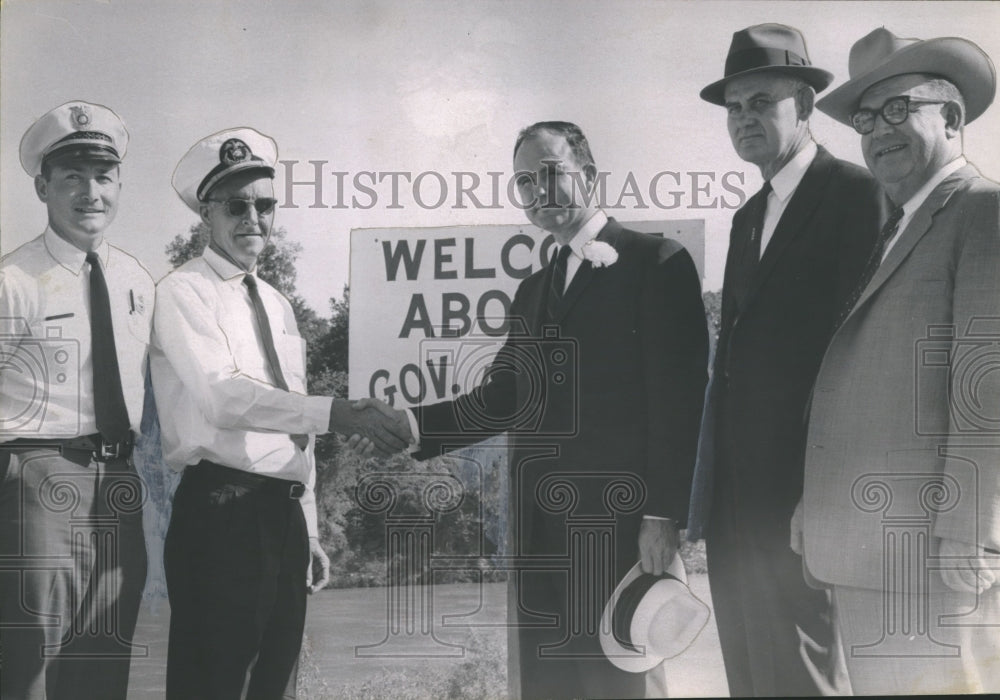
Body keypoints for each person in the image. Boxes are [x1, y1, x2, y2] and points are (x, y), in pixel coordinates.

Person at [357, 121, 708, 699]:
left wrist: (662, 513)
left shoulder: (656, 261)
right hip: (539, 531)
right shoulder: (532, 288)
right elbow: (504, 397)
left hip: (620, 529)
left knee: (622, 680)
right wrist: (412, 426)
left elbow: (680, 399)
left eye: (549, 172)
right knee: (551, 687)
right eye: (523, 180)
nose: (536, 190)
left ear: (589, 174)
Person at [151, 127, 410, 699]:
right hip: (221, 510)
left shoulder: (277, 303)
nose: (253, 218)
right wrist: (338, 412)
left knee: (275, 686)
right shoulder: (182, 291)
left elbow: (296, 433)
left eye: (265, 205)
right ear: (206, 214)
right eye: (236, 205)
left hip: (283, 515)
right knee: (213, 686)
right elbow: (223, 396)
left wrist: (311, 530)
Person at [796, 28, 1000, 694]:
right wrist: (816, 504)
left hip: (935, 564)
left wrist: (968, 539)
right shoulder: (901, 225)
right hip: (872, 560)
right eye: (863, 117)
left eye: (896, 108)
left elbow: (984, 390)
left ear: (951, 116)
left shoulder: (982, 211)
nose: (877, 131)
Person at [686, 24, 883, 697]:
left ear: (804, 105)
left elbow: (859, 357)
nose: (744, 120)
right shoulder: (746, 218)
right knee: (749, 670)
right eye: (735, 108)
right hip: (735, 501)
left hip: (804, 497)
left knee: (803, 671)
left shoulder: (858, 195)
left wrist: (823, 493)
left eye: (762, 102)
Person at [0, 101, 150, 699]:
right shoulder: (15, 280)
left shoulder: (137, 278)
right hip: (38, 476)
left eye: (103, 177)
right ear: (43, 186)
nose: (91, 192)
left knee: (103, 664)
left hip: (120, 480)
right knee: (28, 667)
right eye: (72, 177)